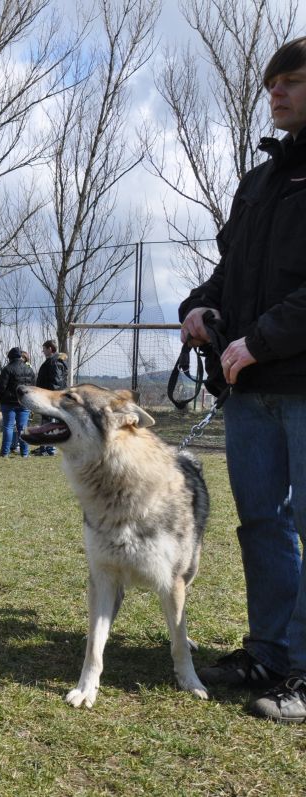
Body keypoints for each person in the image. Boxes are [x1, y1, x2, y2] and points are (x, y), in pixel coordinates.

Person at [179, 36, 306, 723]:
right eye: (271, 84)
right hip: (251, 389)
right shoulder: (258, 182)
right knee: (261, 522)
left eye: (290, 81)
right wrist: (200, 308)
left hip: (292, 377)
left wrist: (257, 339)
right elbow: (229, 273)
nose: (276, 93)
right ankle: (269, 650)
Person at [0, 347, 35, 458]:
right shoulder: (29, 369)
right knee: (23, 428)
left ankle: (5, 452)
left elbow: (0, 387)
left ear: (10, 357)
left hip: (8, 403)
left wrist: (0, 399)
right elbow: (33, 387)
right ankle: (25, 453)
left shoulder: (7, 369)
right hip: (24, 403)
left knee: (8, 427)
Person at [34, 339, 68, 456]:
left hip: (50, 398)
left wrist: (49, 396)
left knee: (49, 423)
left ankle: (49, 449)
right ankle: (44, 448)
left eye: (44, 348)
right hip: (47, 396)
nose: (42, 351)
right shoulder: (53, 362)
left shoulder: (54, 363)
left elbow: (56, 383)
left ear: (49, 349)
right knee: (46, 422)